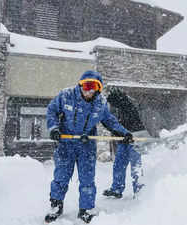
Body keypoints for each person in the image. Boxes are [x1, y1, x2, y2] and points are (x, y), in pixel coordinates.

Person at [44, 70, 134, 223]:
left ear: (98, 88)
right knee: (61, 177)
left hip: (86, 145)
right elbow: (52, 111)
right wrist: (54, 129)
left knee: (87, 179)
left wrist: (124, 133)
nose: (89, 90)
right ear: (80, 85)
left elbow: (110, 121)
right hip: (66, 144)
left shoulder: (100, 104)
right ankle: (56, 206)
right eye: (86, 86)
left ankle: (86, 209)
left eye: (93, 87)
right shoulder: (66, 95)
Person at [102, 89, 145, 199]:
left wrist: (127, 134)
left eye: (112, 103)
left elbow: (129, 123)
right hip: (124, 140)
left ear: (116, 101)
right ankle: (117, 189)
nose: (111, 106)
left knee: (136, 166)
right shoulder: (119, 108)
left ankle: (140, 191)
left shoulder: (128, 106)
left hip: (134, 139)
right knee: (119, 164)